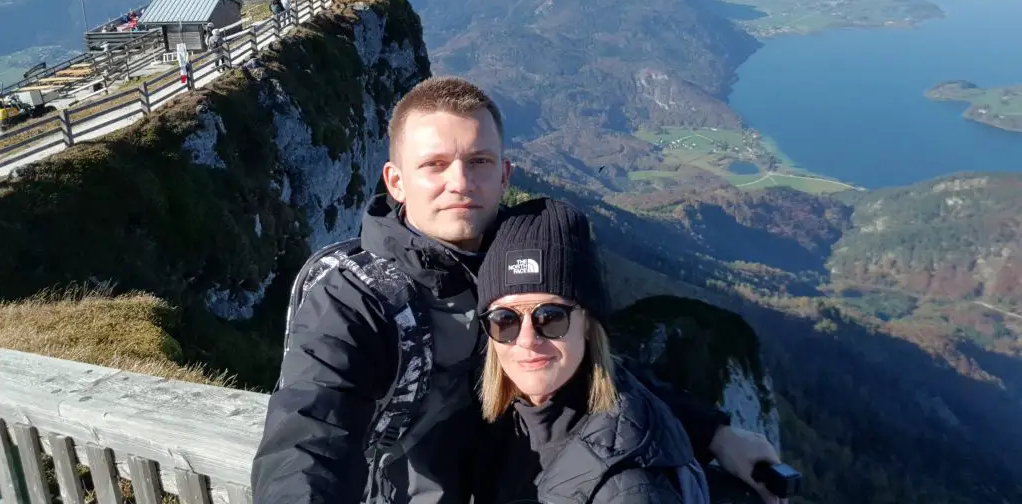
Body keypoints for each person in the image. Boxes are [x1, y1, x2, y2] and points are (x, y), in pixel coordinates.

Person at [251, 76, 782, 504]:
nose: (459, 181)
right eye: (434, 164)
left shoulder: (514, 260)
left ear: (504, 174)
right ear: (395, 181)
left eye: (478, 162)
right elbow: (310, 430)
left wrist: (714, 432)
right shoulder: (354, 297)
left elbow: (588, 363)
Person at [474, 196, 710, 504]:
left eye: (550, 316)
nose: (527, 339)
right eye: (504, 319)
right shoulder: (502, 423)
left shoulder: (630, 488)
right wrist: (713, 431)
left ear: (587, 321)